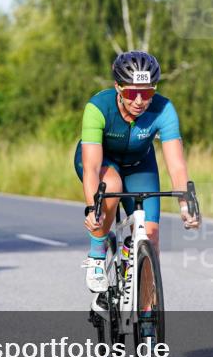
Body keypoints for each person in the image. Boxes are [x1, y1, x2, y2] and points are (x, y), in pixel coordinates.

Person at [74, 51, 201, 293]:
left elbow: (176, 164)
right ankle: (97, 255)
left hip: (140, 165)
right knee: (111, 185)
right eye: (132, 93)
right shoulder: (98, 107)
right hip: (102, 162)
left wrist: (187, 205)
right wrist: (93, 209)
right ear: (118, 87)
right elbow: (91, 167)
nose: (140, 101)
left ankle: (146, 319)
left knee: (151, 239)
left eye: (148, 93)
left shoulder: (164, 109)